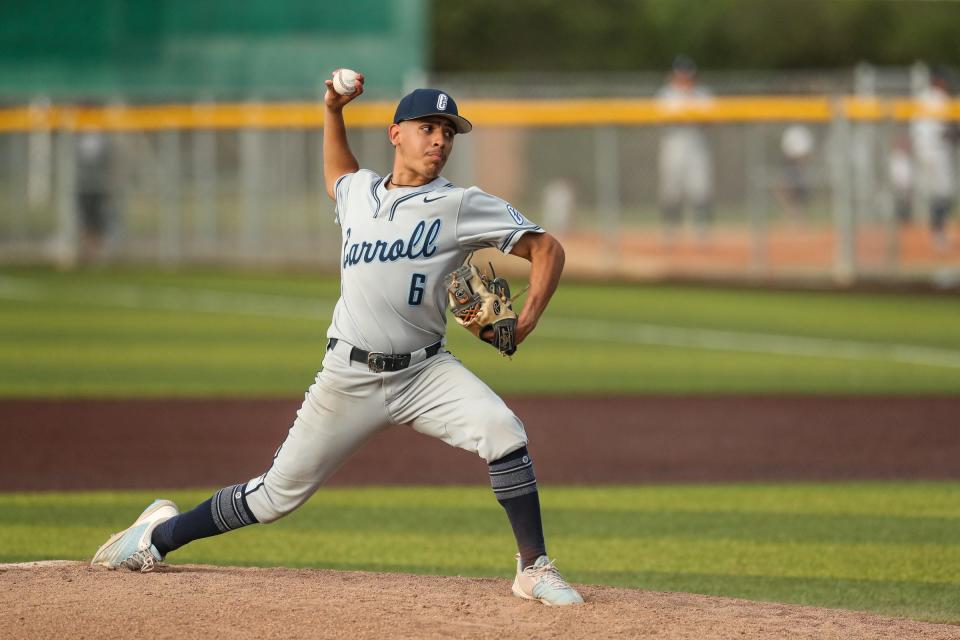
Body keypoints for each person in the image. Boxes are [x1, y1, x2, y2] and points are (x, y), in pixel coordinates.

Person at [90, 73, 584, 606]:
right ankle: (157, 537)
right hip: (348, 376)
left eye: (448, 131)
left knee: (503, 430)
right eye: (428, 127)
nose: (440, 139)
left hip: (425, 372)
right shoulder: (359, 192)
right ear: (396, 133)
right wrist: (332, 109)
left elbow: (546, 249)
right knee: (275, 496)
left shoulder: (461, 204)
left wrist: (527, 321)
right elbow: (337, 171)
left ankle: (532, 567)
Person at [656, 55, 714, 242]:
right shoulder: (666, 94)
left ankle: (701, 229)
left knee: (700, 189)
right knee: (671, 190)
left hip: (697, 144)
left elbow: (710, 118)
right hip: (674, 143)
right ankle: (670, 229)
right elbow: (660, 118)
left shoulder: (702, 94)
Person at [910, 68, 958, 250]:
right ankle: (938, 234)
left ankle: (937, 233)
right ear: (937, 81)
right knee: (944, 194)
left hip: (923, 151)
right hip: (936, 151)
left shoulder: (922, 97)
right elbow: (948, 130)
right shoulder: (940, 98)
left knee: (937, 194)